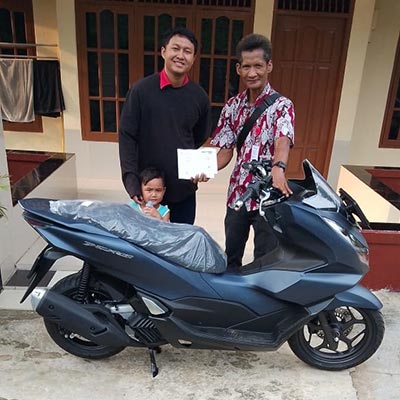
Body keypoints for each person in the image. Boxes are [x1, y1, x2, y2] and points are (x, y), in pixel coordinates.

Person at [210, 33, 295, 268]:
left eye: (258, 66)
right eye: (246, 66)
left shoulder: (282, 106)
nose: (252, 73)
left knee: (265, 259)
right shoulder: (232, 106)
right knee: (231, 256)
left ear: (269, 66)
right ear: (238, 69)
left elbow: (283, 140)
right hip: (238, 193)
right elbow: (225, 151)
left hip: (268, 195)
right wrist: (204, 169)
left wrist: (278, 167)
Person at [119, 26, 211, 225]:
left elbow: (198, 137)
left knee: (181, 241)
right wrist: (132, 181)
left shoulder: (199, 97)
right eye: (175, 49)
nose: (181, 55)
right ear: (163, 52)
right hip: (147, 192)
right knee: (146, 243)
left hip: (183, 191)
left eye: (187, 51)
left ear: (194, 58)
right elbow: (127, 137)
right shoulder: (141, 91)